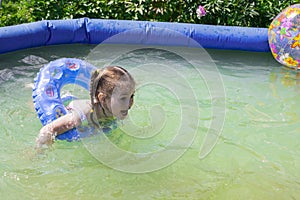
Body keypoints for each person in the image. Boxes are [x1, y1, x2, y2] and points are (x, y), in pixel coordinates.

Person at [36, 66, 135, 148]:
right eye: (123, 98)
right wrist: (40, 153)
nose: (130, 102)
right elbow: (48, 130)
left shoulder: (114, 110)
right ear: (102, 98)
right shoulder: (82, 116)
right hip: (70, 106)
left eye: (132, 96)